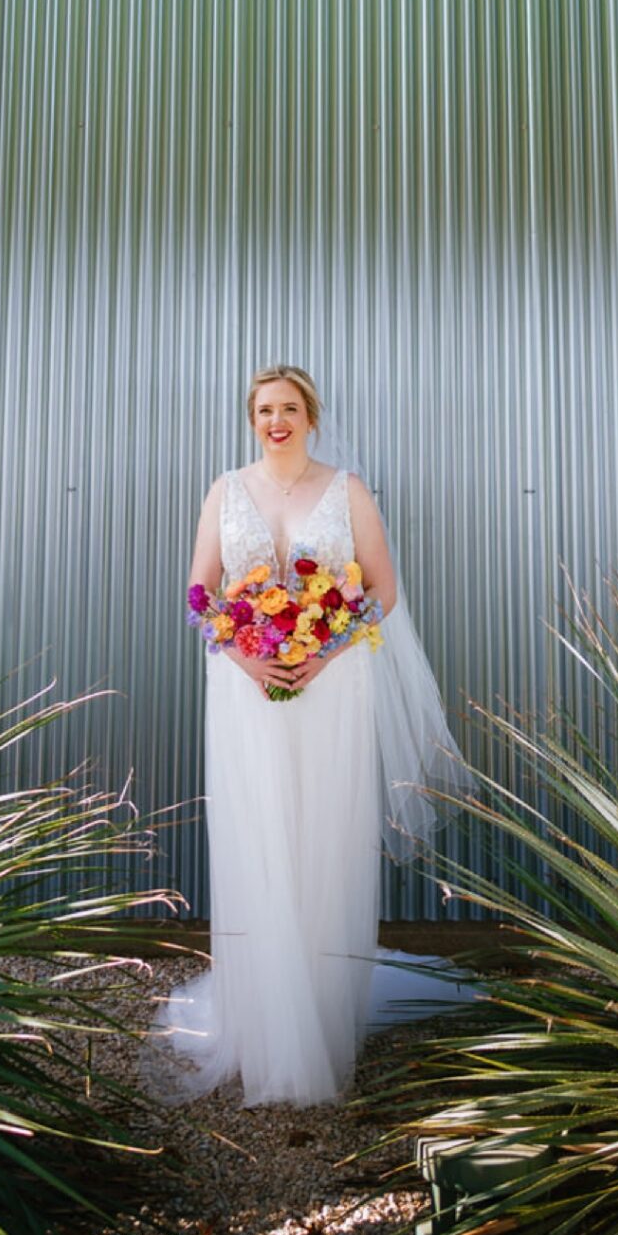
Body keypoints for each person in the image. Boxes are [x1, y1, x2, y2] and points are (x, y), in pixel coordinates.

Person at [147, 362, 474, 1107]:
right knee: (259, 834)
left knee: (321, 835)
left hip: (332, 686)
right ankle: (264, 1019)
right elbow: (200, 596)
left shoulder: (346, 490)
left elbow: (382, 591)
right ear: (251, 418)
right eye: (263, 410)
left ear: (311, 416)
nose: (275, 421)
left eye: (289, 408)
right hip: (245, 689)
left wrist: (321, 654)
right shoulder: (224, 491)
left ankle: (321, 1012)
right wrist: (248, 661)